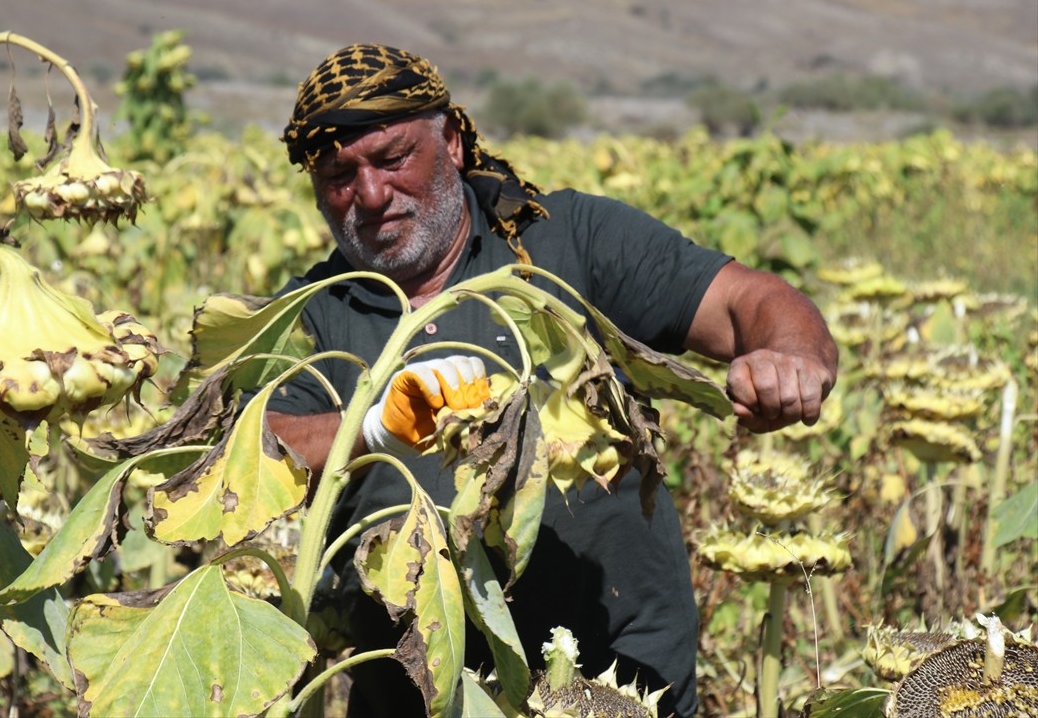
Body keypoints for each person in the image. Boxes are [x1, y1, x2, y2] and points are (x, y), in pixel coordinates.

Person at [265, 44, 838, 717]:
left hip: (617, 682)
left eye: (393, 159)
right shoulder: (312, 312)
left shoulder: (568, 242)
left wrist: (791, 356)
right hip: (417, 696)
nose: (369, 193)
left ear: (451, 141)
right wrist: (374, 424)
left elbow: (749, 301)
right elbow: (259, 454)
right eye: (338, 174)